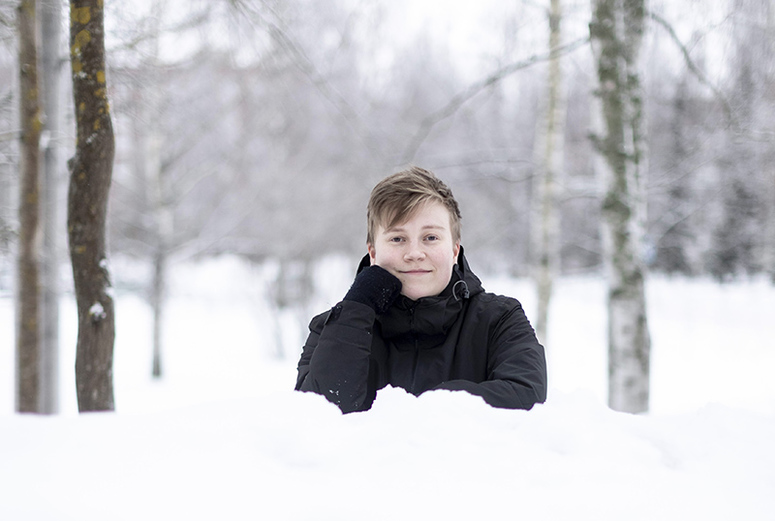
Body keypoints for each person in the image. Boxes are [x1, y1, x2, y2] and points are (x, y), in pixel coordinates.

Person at [295, 166, 547, 413]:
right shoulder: (332, 328)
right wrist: (356, 308)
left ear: (454, 250)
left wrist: (419, 411)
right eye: (397, 239)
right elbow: (317, 415)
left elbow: (526, 395)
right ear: (373, 252)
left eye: (430, 238)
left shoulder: (499, 319)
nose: (414, 253)